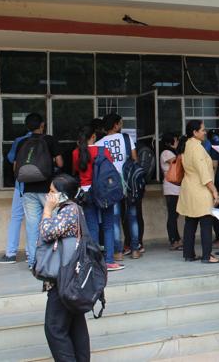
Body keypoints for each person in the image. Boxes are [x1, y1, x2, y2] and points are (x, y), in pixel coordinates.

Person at [40, 174, 90, 361]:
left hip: (64, 278)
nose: (49, 195)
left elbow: (47, 233)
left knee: (54, 328)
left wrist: (46, 210)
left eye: (52, 192)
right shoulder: (73, 209)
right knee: (75, 326)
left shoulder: (69, 210)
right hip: (72, 276)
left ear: (62, 194)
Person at [14, 113, 63, 270]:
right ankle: (54, 260)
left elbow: (16, 168)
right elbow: (60, 162)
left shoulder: (22, 142)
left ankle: (33, 262)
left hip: (28, 190)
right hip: (49, 190)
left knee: (32, 226)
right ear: (42, 125)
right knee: (53, 224)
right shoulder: (49, 140)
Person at [73, 125, 123, 271]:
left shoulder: (76, 153)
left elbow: (76, 170)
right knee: (108, 226)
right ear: (93, 136)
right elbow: (110, 171)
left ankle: (95, 262)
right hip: (104, 192)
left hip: (86, 193)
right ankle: (109, 260)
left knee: (92, 227)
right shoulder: (103, 151)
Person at [176, 120, 219, 264]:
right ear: (195, 132)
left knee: (190, 222)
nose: (205, 132)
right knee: (206, 223)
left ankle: (189, 254)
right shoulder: (197, 148)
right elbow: (204, 174)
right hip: (200, 190)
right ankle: (207, 255)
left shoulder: (187, 145)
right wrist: (215, 192)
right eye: (202, 130)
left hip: (189, 189)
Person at [95, 113, 141, 260]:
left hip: (110, 185)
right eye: (120, 123)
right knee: (132, 217)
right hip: (128, 183)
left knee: (113, 219)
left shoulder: (99, 144)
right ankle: (134, 250)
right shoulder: (126, 139)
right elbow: (134, 159)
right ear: (115, 125)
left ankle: (118, 252)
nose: (121, 126)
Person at [0, 128, 32, 264]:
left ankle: (10, 254)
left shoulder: (20, 141)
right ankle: (31, 253)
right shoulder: (46, 140)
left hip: (21, 184)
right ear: (42, 126)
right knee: (34, 219)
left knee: (16, 217)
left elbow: (10, 159)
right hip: (41, 186)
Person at [160, 132, 182, 251]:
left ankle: (176, 239)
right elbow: (178, 162)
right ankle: (174, 240)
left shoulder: (173, 152)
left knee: (175, 214)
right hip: (171, 188)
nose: (177, 142)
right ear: (169, 142)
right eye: (176, 140)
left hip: (177, 187)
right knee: (172, 215)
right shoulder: (166, 153)